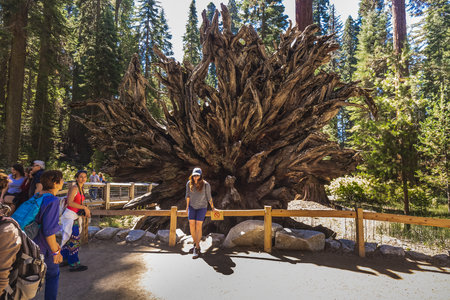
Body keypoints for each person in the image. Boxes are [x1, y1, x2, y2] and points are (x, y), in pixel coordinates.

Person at [33, 170, 64, 300]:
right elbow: (48, 231)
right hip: (43, 247)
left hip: (30, 243)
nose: (63, 182)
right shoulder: (52, 200)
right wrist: (56, 252)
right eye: (61, 180)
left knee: (30, 278)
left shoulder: (37, 196)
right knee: (53, 274)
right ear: (56, 183)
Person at [61, 170, 90, 272]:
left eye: (85, 177)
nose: (83, 178)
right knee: (74, 240)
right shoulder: (74, 188)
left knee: (69, 238)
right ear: (77, 178)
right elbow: (69, 203)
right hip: (70, 216)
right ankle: (74, 264)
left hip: (75, 216)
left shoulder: (81, 188)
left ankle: (64, 259)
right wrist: (84, 208)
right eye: (81, 177)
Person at [185, 167, 216, 259]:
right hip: (192, 207)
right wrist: (187, 207)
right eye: (194, 175)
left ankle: (197, 247)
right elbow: (187, 196)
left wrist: (213, 207)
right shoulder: (189, 183)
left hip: (202, 208)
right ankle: (196, 244)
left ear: (201, 175)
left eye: (197, 175)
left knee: (198, 225)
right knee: (191, 224)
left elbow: (209, 197)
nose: (195, 177)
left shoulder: (206, 185)